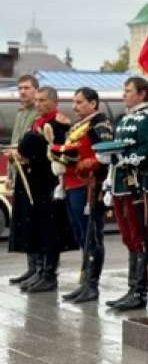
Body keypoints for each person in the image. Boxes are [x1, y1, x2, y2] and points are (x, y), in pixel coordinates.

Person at [8, 86, 78, 293]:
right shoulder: (38, 122)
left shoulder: (58, 123)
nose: (37, 104)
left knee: (50, 231)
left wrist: (26, 152)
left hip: (47, 183)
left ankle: (49, 274)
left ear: (54, 102)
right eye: (36, 100)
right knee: (36, 228)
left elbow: (53, 150)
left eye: (42, 100)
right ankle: (38, 271)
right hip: (33, 183)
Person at [104, 76, 148, 311]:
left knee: (141, 237)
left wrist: (123, 158)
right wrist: (109, 167)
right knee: (129, 238)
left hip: (141, 186)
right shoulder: (124, 119)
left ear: (142, 94)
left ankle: (141, 291)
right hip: (121, 185)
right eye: (124, 90)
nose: (123, 94)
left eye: (128, 91)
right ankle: (132, 288)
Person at [49, 87, 113, 303]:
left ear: (93, 103)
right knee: (81, 235)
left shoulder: (99, 124)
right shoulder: (79, 125)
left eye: (79, 102)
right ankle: (85, 283)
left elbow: (105, 155)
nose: (74, 107)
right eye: (74, 102)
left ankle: (92, 286)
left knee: (92, 235)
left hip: (89, 186)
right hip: (72, 183)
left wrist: (89, 163)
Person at [6, 74, 40, 285]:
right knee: (24, 222)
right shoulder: (20, 115)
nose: (22, 92)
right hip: (19, 172)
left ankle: (40, 270)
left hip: (34, 174)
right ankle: (31, 268)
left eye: (27, 88)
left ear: (36, 90)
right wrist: (11, 174)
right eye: (20, 88)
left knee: (35, 222)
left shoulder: (38, 114)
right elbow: (14, 143)